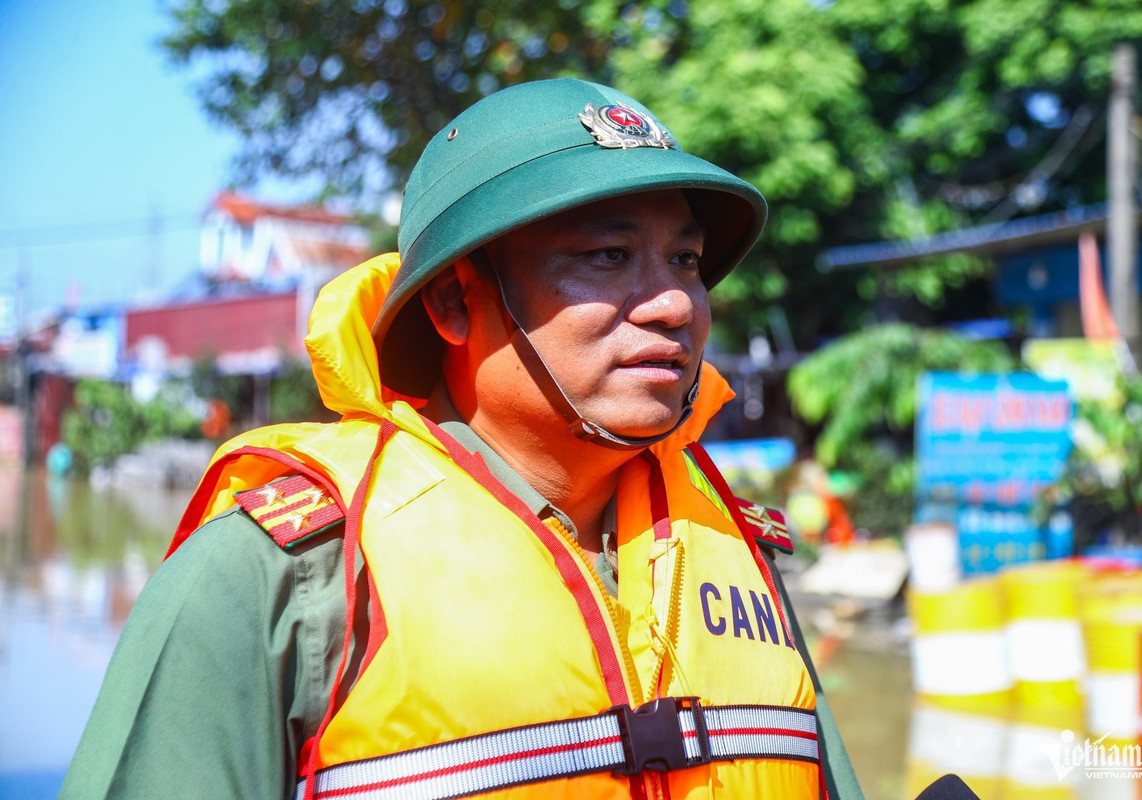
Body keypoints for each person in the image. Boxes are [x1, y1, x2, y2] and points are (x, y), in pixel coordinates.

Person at [62, 78, 859, 800]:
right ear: (451, 303)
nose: (675, 304)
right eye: (608, 255)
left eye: (685, 259)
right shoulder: (282, 578)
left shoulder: (735, 550)